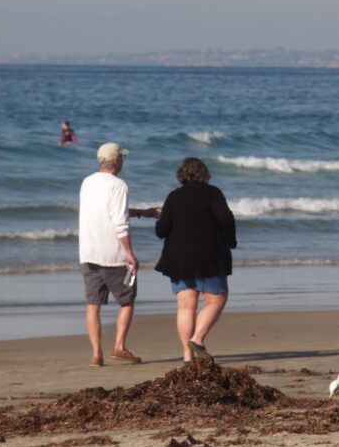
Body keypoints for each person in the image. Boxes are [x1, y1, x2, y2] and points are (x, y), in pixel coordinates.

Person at [79, 142, 158, 367]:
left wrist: (143, 213)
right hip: (113, 255)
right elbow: (119, 222)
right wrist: (130, 253)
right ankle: (119, 346)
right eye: (122, 158)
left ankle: (96, 354)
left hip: (88, 252)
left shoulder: (87, 182)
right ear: (117, 161)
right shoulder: (118, 185)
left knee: (93, 304)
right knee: (127, 300)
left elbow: (104, 213)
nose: (124, 161)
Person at [154, 157, 237, 363]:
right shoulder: (213, 193)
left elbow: (161, 230)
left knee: (185, 306)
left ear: (182, 174)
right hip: (210, 254)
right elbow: (226, 218)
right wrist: (231, 241)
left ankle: (187, 356)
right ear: (204, 173)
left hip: (178, 257)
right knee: (216, 299)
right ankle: (197, 338)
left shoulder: (174, 196)